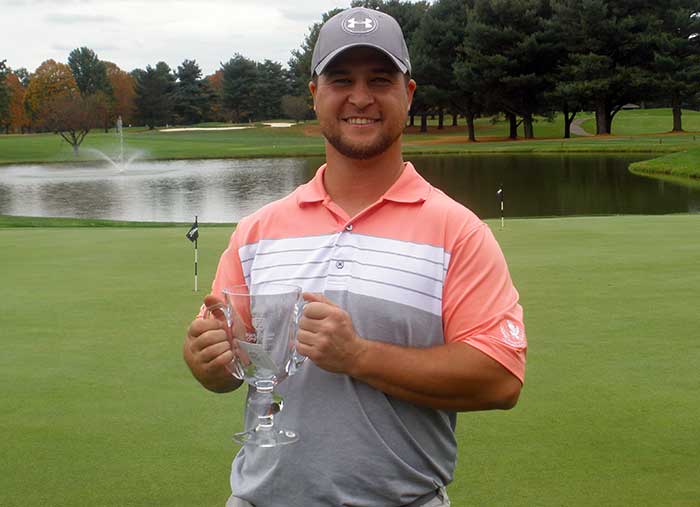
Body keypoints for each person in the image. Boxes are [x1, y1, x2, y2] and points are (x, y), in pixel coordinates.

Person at [183, 7, 527, 507]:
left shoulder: (459, 232)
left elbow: (500, 380)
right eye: (341, 79)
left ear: (407, 94)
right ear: (315, 94)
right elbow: (227, 366)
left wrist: (359, 356)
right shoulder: (257, 231)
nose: (360, 97)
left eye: (380, 80)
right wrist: (207, 361)